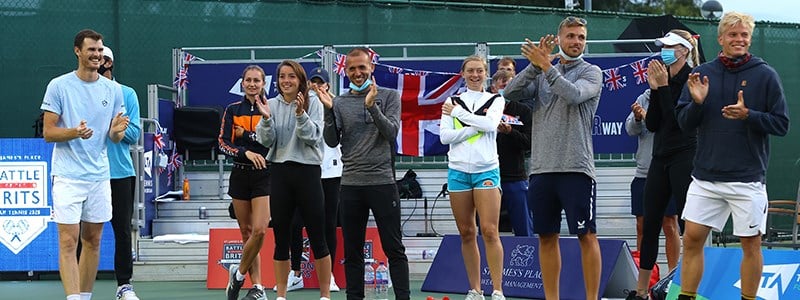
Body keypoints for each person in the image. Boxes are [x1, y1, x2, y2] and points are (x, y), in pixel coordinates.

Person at [675, 12, 790, 300]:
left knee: (751, 246)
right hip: (705, 177)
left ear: (749, 39)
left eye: (744, 35)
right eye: (733, 35)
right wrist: (698, 104)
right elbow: (684, 123)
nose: (739, 40)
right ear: (721, 38)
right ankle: (686, 296)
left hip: (746, 179)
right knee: (691, 240)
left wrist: (748, 115)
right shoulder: (703, 74)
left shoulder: (766, 75)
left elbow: (781, 124)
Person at [504, 16, 603, 300]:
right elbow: (511, 93)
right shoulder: (544, 73)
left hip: (577, 168)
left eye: (581, 37)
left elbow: (572, 95)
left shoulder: (592, 72)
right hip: (542, 169)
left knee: (586, 236)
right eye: (571, 36)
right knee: (546, 237)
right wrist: (535, 66)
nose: (576, 42)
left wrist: (546, 66)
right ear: (559, 39)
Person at [41, 29, 129, 300]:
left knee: (93, 241)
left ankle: (85, 297)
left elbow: (115, 137)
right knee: (68, 241)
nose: (97, 55)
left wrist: (116, 130)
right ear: (77, 51)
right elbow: (48, 132)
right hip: (67, 175)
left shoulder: (114, 90)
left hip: (100, 175)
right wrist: (74, 132)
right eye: (91, 50)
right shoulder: (59, 85)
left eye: (100, 50)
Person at [322, 47, 410, 300]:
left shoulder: (390, 96)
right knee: (352, 252)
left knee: (394, 248)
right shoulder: (338, 102)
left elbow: (391, 133)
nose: (357, 73)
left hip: (382, 182)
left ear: (371, 67)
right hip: (350, 185)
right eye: (352, 69)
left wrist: (372, 107)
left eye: (362, 67)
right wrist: (328, 112)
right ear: (345, 71)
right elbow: (330, 141)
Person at [626, 30, 699, 300]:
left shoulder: (693, 78)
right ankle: (642, 290)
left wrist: (664, 87)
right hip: (660, 157)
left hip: (684, 156)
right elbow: (655, 124)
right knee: (649, 224)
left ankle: (685, 288)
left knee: (685, 226)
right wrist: (656, 89)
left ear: (683, 50)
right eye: (663, 46)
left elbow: (678, 121)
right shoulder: (661, 77)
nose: (664, 51)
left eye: (669, 47)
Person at [255, 60, 332, 300]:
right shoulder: (272, 104)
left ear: (300, 80)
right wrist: (266, 119)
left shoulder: (314, 102)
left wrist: (300, 114)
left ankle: (325, 295)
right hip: (280, 173)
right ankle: (281, 295)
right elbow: (265, 141)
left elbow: (314, 138)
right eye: (281, 76)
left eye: (291, 76)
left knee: (318, 236)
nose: (286, 81)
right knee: (281, 238)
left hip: (308, 173)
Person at [440, 55, 507, 300]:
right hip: (458, 171)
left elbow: (491, 125)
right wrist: (473, 126)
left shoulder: (495, 99)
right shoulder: (452, 99)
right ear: (463, 73)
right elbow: (445, 137)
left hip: (486, 170)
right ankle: (475, 289)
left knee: (490, 230)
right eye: (471, 71)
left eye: (480, 70)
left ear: (486, 73)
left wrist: (460, 115)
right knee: (467, 231)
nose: (475, 75)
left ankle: (497, 290)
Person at [281, 67, 342, 293]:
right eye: (312, 82)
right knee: (295, 224)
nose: (316, 86)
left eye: (320, 82)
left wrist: (330, 108)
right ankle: (295, 273)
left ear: (327, 85)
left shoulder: (336, 106)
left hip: (331, 173)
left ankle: (330, 275)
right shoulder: (301, 104)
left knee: (328, 225)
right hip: (305, 171)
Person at [220, 65, 272, 300]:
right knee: (246, 232)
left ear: (263, 84)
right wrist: (245, 153)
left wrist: (245, 136)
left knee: (260, 230)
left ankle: (238, 275)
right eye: (248, 80)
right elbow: (222, 143)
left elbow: (272, 141)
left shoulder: (272, 108)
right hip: (240, 174)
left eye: (257, 81)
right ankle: (258, 287)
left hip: (265, 175)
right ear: (242, 84)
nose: (252, 84)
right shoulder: (232, 109)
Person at [97, 46, 143, 300]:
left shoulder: (127, 94)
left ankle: (124, 286)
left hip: (120, 173)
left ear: (108, 62)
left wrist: (113, 129)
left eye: (101, 57)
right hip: (89, 173)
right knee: (85, 233)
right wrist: (110, 126)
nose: (96, 61)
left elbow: (134, 133)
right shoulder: (81, 92)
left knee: (122, 230)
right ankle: (82, 289)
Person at [492, 70, 533, 237]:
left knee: (524, 228)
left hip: (515, 177)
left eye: (508, 85)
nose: (504, 88)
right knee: (487, 229)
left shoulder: (523, 110)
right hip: (487, 177)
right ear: (493, 87)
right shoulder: (484, 109)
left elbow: (530, 142)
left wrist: (510, 132)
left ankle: (529, 262)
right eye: (501, 85)